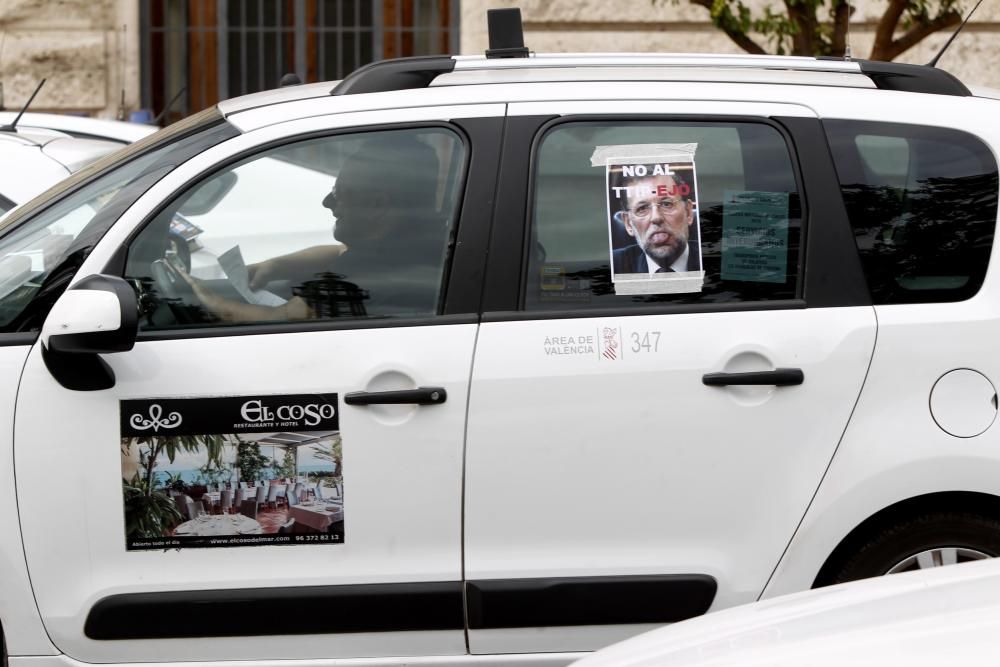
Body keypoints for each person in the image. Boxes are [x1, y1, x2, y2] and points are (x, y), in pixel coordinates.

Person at [172, 134, 446, 322]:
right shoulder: (425, 241)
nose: (327, 203)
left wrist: (206, 301)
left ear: (378, 205)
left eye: (340, 193)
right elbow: (339, 251)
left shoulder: (364, 271)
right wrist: (276, 265)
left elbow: (282, 319)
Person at [611, 168, 702, 275]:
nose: (656, 217)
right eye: (642, 208)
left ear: (688, 212)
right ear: (628, 223)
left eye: (666, 204)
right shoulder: (613, 265)